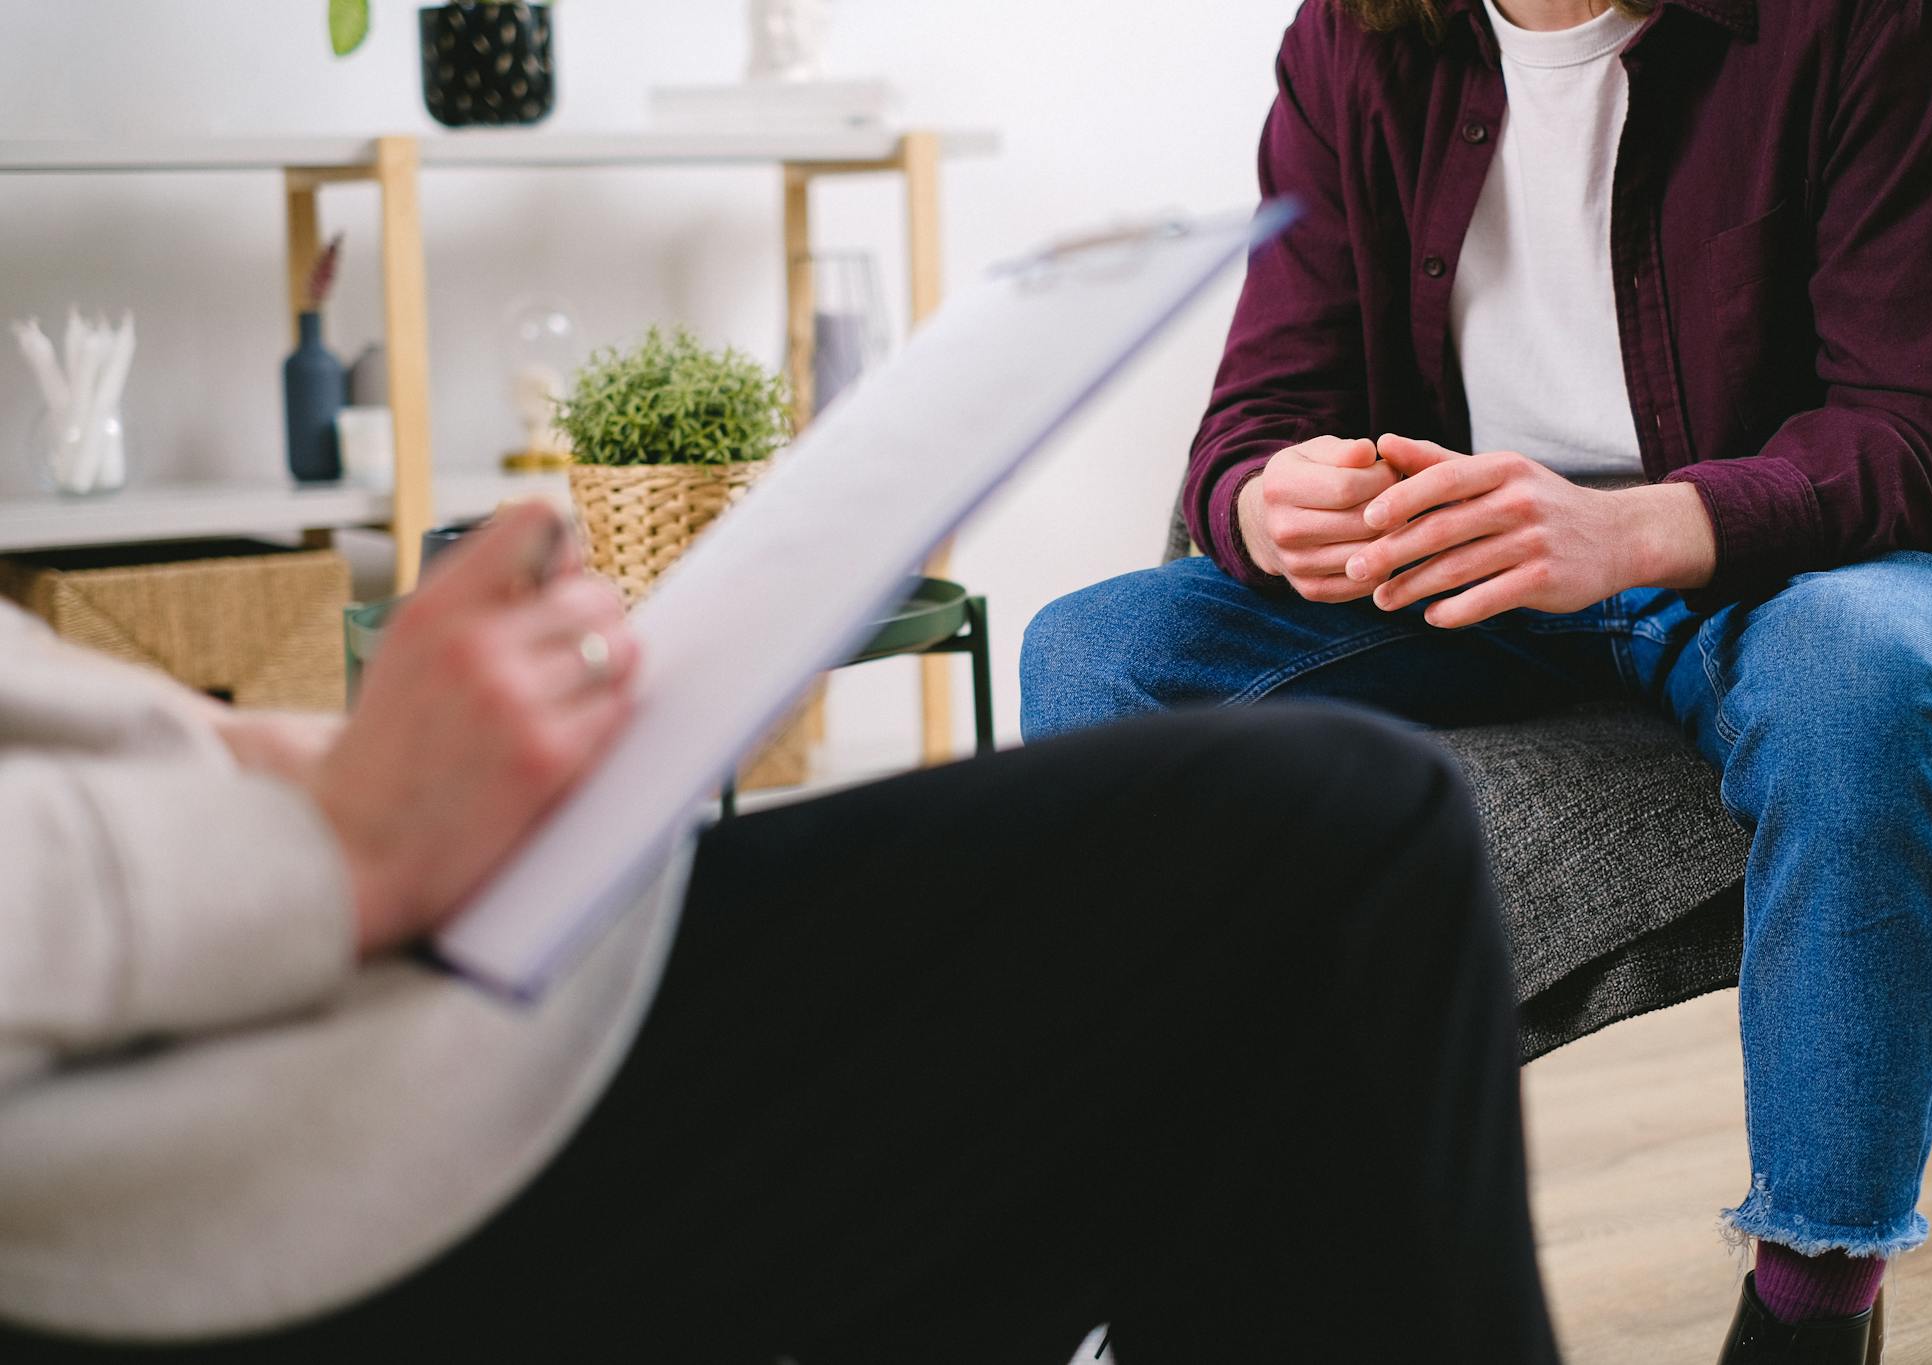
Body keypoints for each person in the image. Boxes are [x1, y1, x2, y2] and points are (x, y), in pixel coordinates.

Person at [1019, 0, 1932, 1360]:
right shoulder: (1355, 36)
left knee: (1867, 688)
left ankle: (1812, 1302)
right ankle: (1195, 1255)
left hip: (1780, 563)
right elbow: (1255, 415)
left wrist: (1634, 527)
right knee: (1088, 654)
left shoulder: (1856, 18)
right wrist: (1263, 502)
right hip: (1473, 589)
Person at [0, 504, 1558, 1364]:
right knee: (1330, 842)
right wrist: (332, 845)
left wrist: (302, 763)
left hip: (261, 1002)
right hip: (200, 1167)